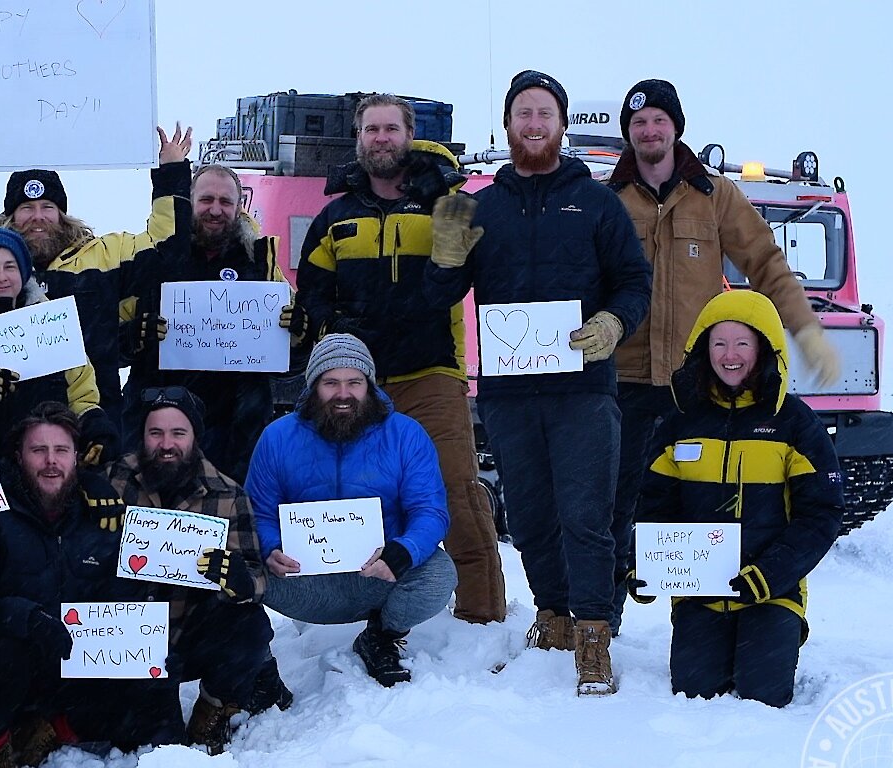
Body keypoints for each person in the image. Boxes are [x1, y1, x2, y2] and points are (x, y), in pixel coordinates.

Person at [424, 70, 652, 695]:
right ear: (508, 126)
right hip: (509, 392)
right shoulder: (479, 206)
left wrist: (613, 320)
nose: (533, 124)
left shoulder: (598, 201)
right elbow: (440, 293)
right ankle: (552, 619)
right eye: (522, 113)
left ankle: (594, 637)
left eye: (544, 114)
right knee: (527, 516)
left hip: (583, 389)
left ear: (561, 124)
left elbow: (635, 282)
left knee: (586, 515)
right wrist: (444, 249)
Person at [604, 78, 842, 629]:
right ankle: (603, 621)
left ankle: (719, 614)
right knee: (617, 507)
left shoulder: (716, 196)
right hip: (626, 380)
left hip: (698, 384)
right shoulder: (606, 200)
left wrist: (804, 329)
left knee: (717, 500)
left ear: (676, 128)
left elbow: (766, 262)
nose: (649, 130)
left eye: (659, 120)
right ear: (628, 133)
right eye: (638, 123)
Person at [294, 95, 506, 623]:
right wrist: (336, 330)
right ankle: (360, 606)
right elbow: (313, 292)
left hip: (430, 370)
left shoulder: (443, 203)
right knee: (355, 495)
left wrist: (445, 199)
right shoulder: (334, 217)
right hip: (356, 383)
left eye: (392, 128)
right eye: (371, 129)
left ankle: (481, 615)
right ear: (358, 138)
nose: (381, 138)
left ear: (408, 136)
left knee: (456, 486)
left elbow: (457, 278)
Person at [632, 290, 843, 707]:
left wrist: (768, 576)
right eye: (719, 343)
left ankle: (780, 634)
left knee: (762, 693)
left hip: (771, 590)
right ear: (702, 349)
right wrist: (646, 566)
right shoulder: (680, 422)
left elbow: (821, 514)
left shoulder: (794, 423)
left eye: (742, 343)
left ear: (764, 349)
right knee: (695, 691)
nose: (730, 355)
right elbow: (654, 506)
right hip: (701, 593)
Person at [0, 128, 193, 417]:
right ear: (9, 216)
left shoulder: (106, 257)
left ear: (62, 213)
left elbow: (165, 247)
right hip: (0, 430)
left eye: (47, 206)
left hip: (91, 429)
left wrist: (170, 174)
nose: (37, 217)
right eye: (26, 208)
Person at [0, 403, 179, 766]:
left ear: (76, 459)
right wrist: (26, 617)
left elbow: (123, 598)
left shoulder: (100, 517)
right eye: (38, 450)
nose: (50, 461)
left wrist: (143, 645)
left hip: (75, 667)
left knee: (153, 685)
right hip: (10, 669)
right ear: (18, 456)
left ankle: (58, 726)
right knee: (7, 651)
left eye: (61, 451)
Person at [244, 334, 458, 688]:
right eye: (331, 383)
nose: (343, 393)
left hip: (380, 576)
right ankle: (255, 668)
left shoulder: (406, 435)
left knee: (438, 574)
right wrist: (269, 549)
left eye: (354, 382)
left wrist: (403, 553)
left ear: (369, 386)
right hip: (303, 582)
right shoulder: (277, 438)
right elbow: (258, 513)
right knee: (235, 572)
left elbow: (430, 510)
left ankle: (382, 636)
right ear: (313, 387)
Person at [105, 387, 290, 753]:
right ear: (142, 437)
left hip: (194, 629)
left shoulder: (228, 493)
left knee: (250, 628)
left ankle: (215, 704)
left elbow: (258, 577)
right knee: (155, 742)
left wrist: (238, 578)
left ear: (195, 438)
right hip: (129, 636)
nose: (166, 444)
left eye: (178, 433)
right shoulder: (112, 482)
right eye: (155, 433)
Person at [120, 163, 308, 482]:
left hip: (234, 425)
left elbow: (288, 362)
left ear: (239, 208)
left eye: (226, 202)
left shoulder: (260, 263)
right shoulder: (154, 256)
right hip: (157, 418)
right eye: (207, 200)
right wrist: (135, 335)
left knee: (227, 519)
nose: (215, 210)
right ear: (190, 201)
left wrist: (299, 337)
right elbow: (113, 343)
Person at [0, 228, 115, 461]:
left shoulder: (54, 327)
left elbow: (81, 396)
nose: (1, 277)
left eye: (10, 267)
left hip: (45, 468)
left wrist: (95, 428)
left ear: (24, 273)